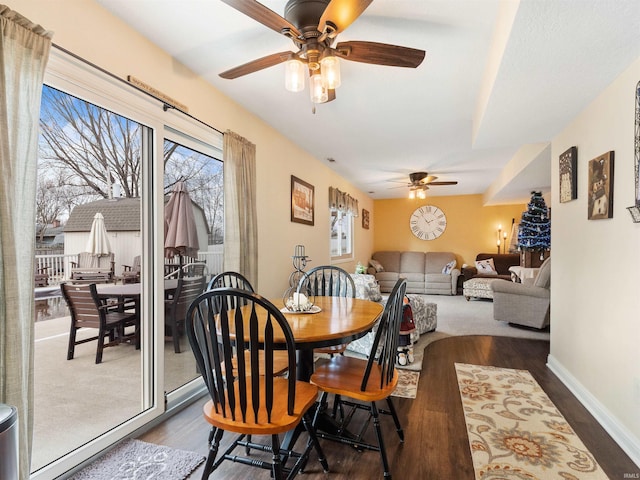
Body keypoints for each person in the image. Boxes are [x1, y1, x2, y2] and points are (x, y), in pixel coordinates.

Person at [397, 295, 416, 366]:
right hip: (400, 329)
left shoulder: (408, 308)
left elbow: (411, 319)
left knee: (409, 341)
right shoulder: (399, 309)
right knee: (401, 341)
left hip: (407, 328)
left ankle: (408, 352)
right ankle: (401, 353)